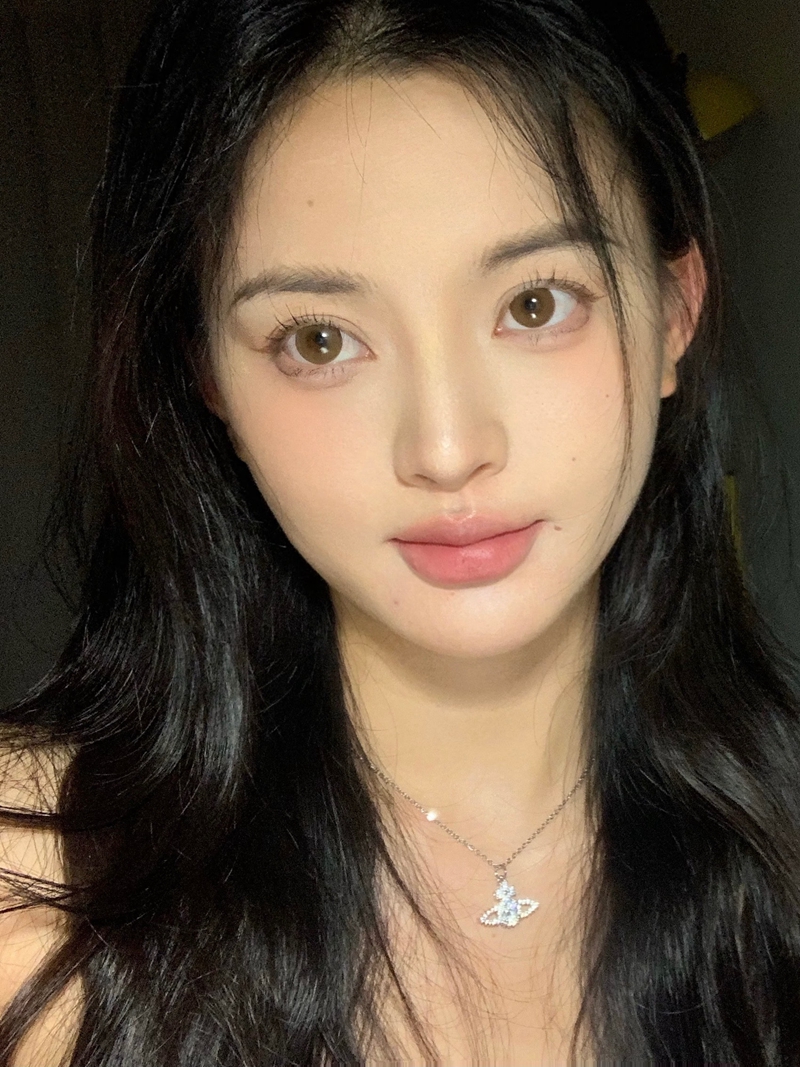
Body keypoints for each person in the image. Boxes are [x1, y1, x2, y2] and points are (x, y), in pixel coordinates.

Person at [1, 0, 799, 1062]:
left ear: (672, 309)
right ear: (210, 378)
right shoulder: (33, 891)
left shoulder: (776, 845)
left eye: (535, 304)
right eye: (320, 339)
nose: (445, 447)